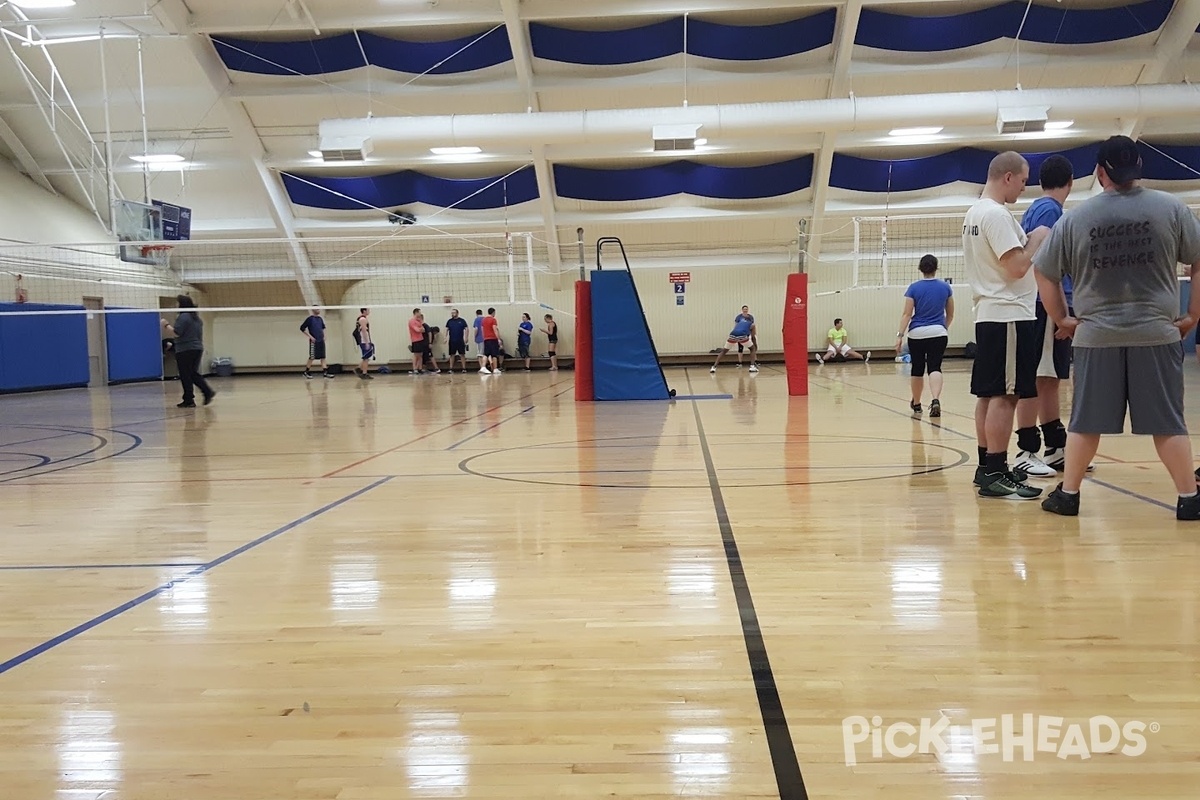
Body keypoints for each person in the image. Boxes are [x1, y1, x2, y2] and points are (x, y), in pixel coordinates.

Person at [1035, 136, 1200, 520]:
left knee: (1085, 422)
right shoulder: (1172, 209)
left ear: (1100, 172)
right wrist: (1192, 314)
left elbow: (1044, 272)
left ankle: (1069, 495)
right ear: (1139, 167)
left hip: (1096, 337)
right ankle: (1189, 498)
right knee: (1168, 423)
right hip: (1157, 334)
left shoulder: (1076, 217)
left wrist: (1062, 319)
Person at [963, 151, 1051, 499]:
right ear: (1008, 177)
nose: (1024, 189)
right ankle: (996, 470)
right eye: (1024, 180)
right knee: (1005, 395)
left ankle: (987, 466)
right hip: (1009, 312)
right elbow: (1016, 266)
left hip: (990, 313)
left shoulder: (975, 211)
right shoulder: (996, 215)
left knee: (989, 394)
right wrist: (1037, 237)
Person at [1011, 154, 1078, 477]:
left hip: (1043, 302)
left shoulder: (1040, 208)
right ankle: (1027, 449)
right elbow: (1045, 263)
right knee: (1035, 379)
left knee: (1048, 379)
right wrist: (1061, 311)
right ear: (1071, 182)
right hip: (1043, 303)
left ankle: (1055, 446)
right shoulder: (1050, 211)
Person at [895, 255, 953, 417]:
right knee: (935, 367)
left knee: (917, 369)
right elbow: (950, 314)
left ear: (920, 269)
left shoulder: (913, 288)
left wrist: (900, 336)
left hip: (917, 334)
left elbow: (907, 314)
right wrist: (942, 328)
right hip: (938, 333)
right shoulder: (945, 287)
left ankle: (917, 404)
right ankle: (935, 400)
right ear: (936, 268)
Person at [161, 294, 215, 408]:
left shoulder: (183, 316)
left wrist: (166, 325)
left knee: (187, 374)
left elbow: (176, 333)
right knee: (191, 373)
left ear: (181, 304)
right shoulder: (196, 318)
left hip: (185, 349)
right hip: (197, 348)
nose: (175, 305)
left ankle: (201, 394)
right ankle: (192, 397)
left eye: (177, 302)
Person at [710, 305, 759, 373]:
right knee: (752, 348)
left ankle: (713, 367)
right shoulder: (752, 324)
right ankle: (752, 366)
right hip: (742, 335)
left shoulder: (739, 322)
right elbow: (753, 336)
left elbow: (735, 328)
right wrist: (755, 345)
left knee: (724, 351)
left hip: (733, 334)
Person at [300, 307, 333, 379]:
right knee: (312, 357)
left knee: (323, 357)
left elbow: (323, 328)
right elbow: (302, 328)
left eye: (319, 309)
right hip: (314, 341)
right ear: (313, 310)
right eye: (317, 309)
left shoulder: (320, 319)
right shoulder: (310, 319)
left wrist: (324, 336)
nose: (319, 310)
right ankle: (306, 372)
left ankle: (325, 373)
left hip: (321, 340)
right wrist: (310, 337)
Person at [353, 307, 374, 380]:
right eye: (368, 310)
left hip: (364, 341)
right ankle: (364, 373)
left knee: (367, 357)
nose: (369, 311)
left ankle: (359, 369)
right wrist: (367, 342)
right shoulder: (363, 319)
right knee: (366, 358)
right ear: (364, 311)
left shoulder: (361, 318)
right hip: (364, 341)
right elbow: (364, 331)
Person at [482, 307, 501, 374]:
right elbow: (495, 329)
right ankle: (495, 369)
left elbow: (482, 329)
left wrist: (484, 337)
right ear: (493, 312)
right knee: (494, 354)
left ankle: (483, 367)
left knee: (486, 353)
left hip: (486, 339)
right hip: (492, 339)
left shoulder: (484, 320)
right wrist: (498, 339)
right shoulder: (493, 320)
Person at [408, 308, 427, 375]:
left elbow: (424, 330)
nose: (420, 314)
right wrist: (420, 329)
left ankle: (420, 368)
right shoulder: (412, 321)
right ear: (416, 313)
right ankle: (415, 369)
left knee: (421, 355)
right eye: (419, 312)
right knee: (416, 355)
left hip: (421, 339)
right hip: (415, 340)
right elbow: (417, 330)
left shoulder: (419, 321)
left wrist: (420, 328)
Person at [473, 309, 487, 373]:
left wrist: (474, 336)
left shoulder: (477, 320)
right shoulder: (485, 319)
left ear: (476, 314)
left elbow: (476, 328)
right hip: (486, 338)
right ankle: (484, 367)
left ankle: (482, 367)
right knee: (485, 353)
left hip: (479, 338)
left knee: (480, 354)